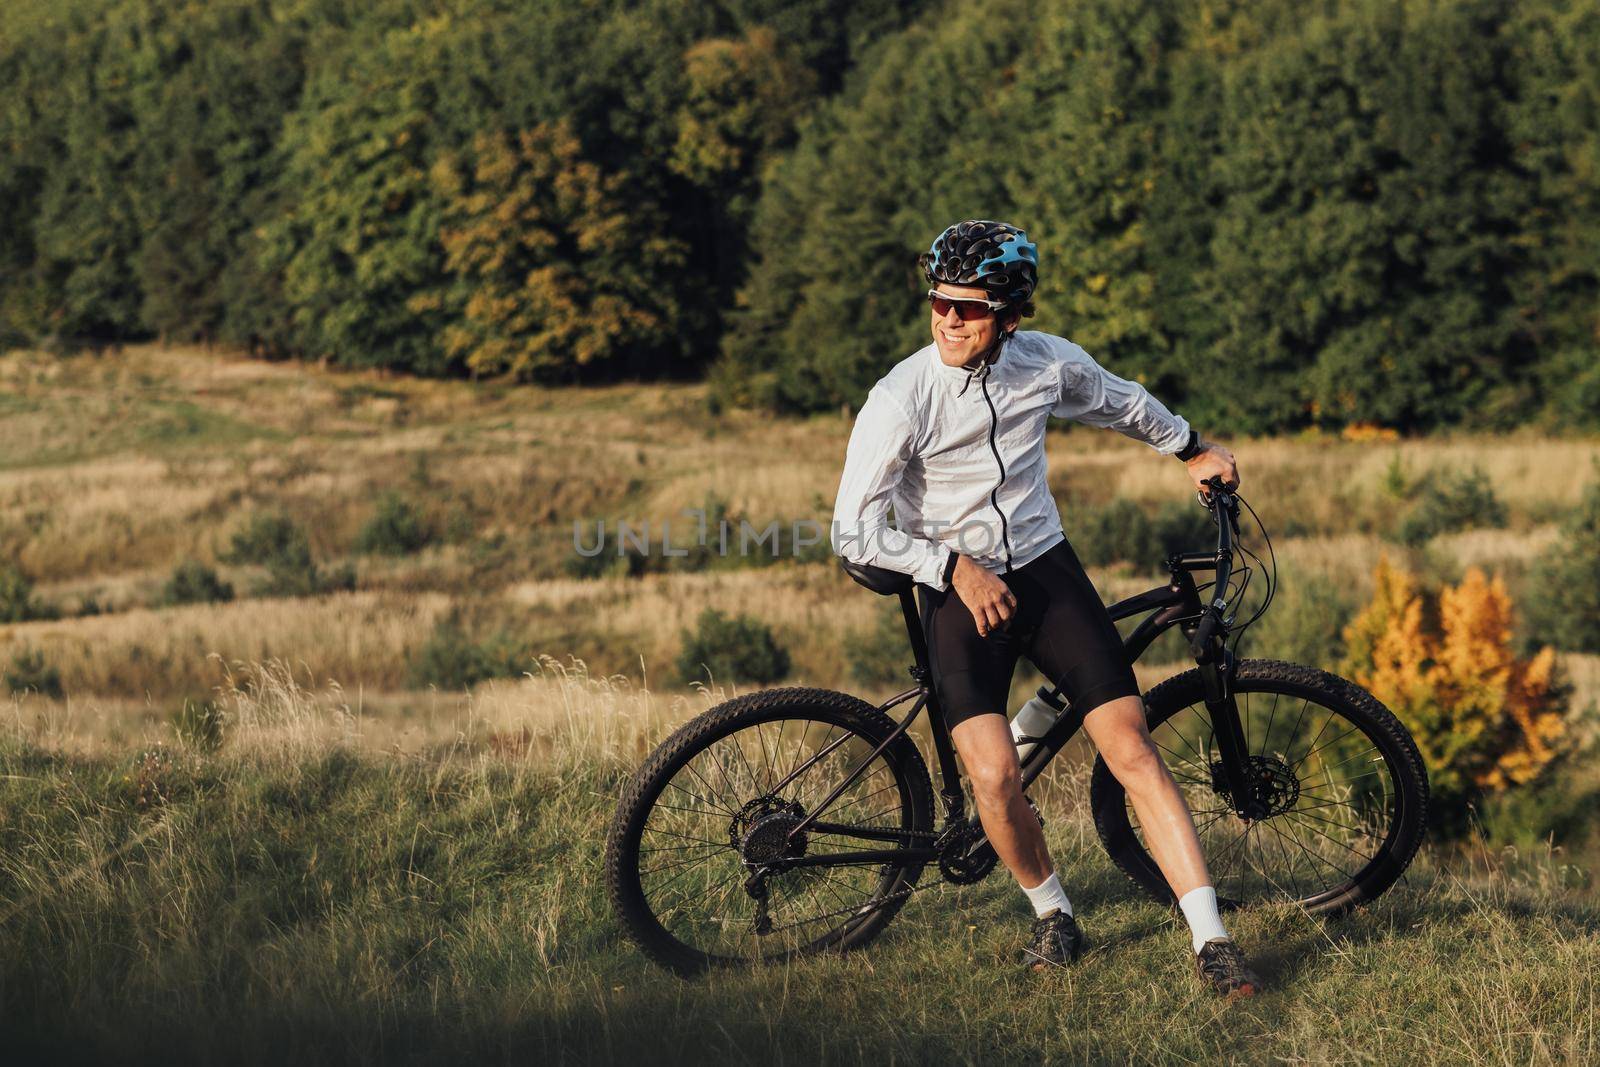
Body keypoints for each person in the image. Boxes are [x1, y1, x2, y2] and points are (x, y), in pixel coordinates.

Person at [830, 219, 1263, 999]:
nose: (948, 320)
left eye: (969, 308)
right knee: (995, 775)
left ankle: (1213, 940)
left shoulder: (1045, 363)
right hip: (952, 587)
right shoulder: (900, 398)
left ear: (1010, 317)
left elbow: (1122, 404)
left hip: (1043, 567)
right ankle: (1053, 911)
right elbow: (851, 528)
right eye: (938, 303)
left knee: (1130, 745)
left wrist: (1192, 446)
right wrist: (952, 567)